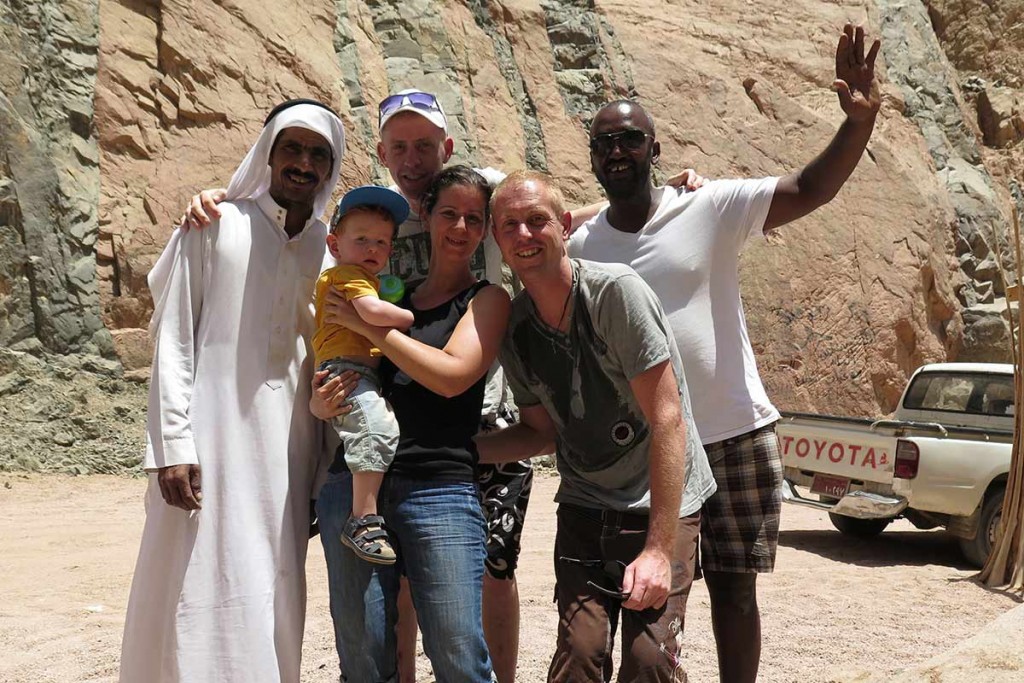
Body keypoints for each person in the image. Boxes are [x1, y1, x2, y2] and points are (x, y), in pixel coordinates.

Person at [179, 88, 703, 683]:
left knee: (488, 589)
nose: (462, 224)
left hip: (475, 438)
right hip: (388, 457)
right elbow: (306, 251)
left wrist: (658, 199)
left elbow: (546, 218)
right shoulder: (377, 248)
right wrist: (228, 196)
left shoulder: (492, 245)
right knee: (373, 630)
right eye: (399, 146)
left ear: (447, 148)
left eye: (424, 144)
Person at [568, 24, 882, 683]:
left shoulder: (707, 205)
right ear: (593, 155)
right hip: (650, 448)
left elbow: (810, 188)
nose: (618, 149)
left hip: (737, 433)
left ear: (655, 147)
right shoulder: (578, 243)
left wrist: (856, 123)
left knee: (737, 593)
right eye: (605, 142)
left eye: (630, 138)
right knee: (657, 597)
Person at [119, 99, 347, 682]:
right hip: (206, 440)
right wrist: (172, 444)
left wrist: (322, 468)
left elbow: (323, 357)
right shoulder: (215, 223)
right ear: (268, 154)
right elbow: (174, 338)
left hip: (287, 450)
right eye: (291, 148)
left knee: (273, 583)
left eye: (318, 154)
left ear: (329, 167)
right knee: (193, 580)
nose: (303, 163)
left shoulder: (329, 251)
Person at [477, 170, 717, 682]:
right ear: (495, 238)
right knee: (579, 656)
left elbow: (667, 419)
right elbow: (541, 433)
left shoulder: (615, 295)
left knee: (647, 660)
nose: (524, 235)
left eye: (537, 221)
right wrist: (461, 450)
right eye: (510, 225)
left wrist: (657, 549)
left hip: (661, 502)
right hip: (586, 505)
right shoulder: (516, 330)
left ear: (564, 226)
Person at [312, 165, 510, 682]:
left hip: (439, 489)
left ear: (485, 228)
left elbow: (451, 378)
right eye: (449, 213)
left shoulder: (485, 300)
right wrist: (320, 405)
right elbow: (351, 374)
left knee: (459, 654)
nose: (460, 228)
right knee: (363, 656)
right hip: (353, 488)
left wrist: (365, 326)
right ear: (427, 215)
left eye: (473, 218)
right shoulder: (388, 297)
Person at [313, 185, 415, 565]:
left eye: (381, 242)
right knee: (374, 429)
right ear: (334, 245)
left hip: (350, 369)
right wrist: (406, 316)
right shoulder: (348, 277)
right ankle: (363, 519)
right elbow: (371, 313)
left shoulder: (354, 276)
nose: (372, 249)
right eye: (361, 240)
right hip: (348, 371)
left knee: (371, 427)